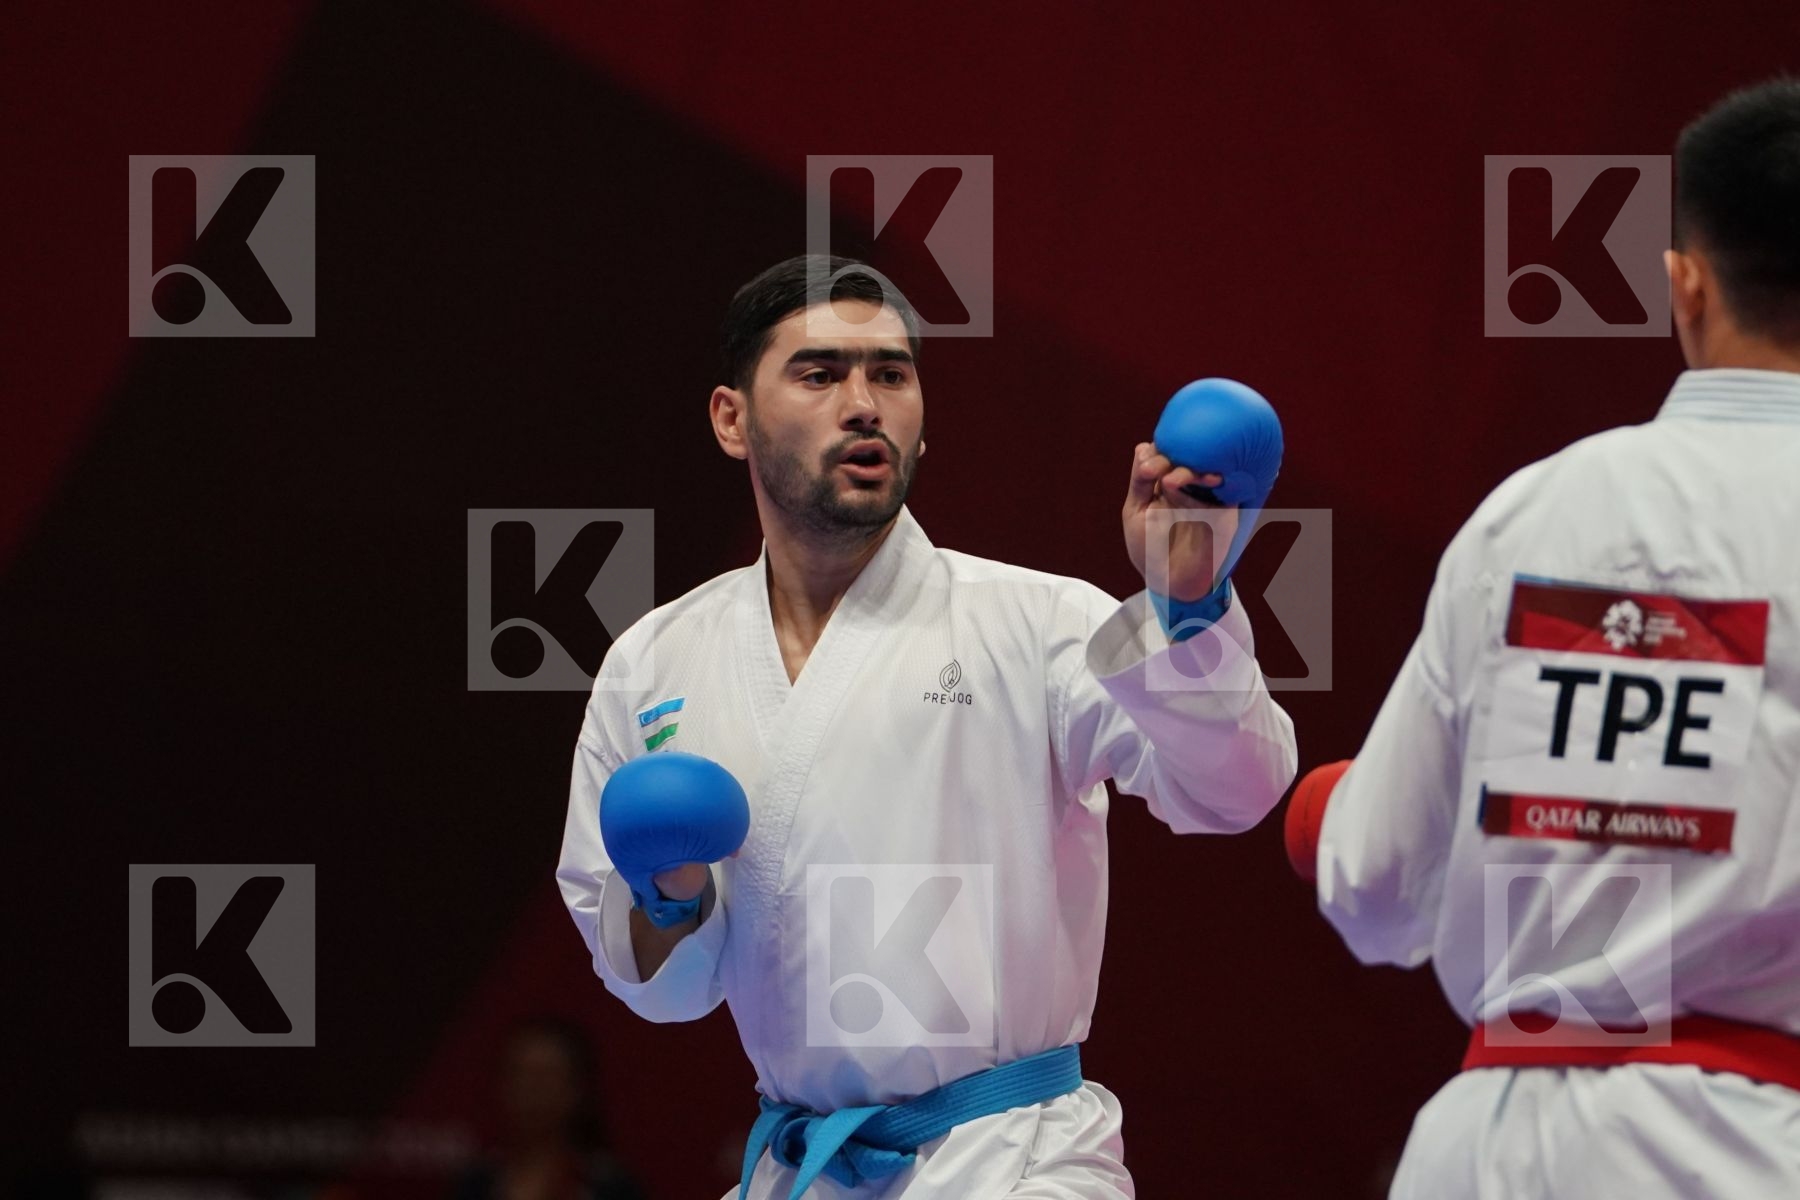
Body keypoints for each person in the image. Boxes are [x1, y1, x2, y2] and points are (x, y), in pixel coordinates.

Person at [556, 254, 1297, 1198]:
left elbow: (1235, 792)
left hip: (1014, 1165)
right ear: (731, 420)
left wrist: (1185, 609)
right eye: (821, 374)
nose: (863, 404)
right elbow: (661, 992)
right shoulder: (655, 664)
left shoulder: (1037, 624)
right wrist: (667, 890)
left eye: (891, 376)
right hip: (804, 1168)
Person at [1295, 77, 1800, 1198]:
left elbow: (1375, 883)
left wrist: (1320, 810)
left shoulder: (1534, 510)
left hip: (1481, 1155)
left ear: (1686, 285)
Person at [450, 1016, 647, 1200]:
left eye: (548, 1077)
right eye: (522, 1075)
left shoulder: (610, 1187)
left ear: (578, 1088)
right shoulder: (476, 1184)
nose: (534, 1091)